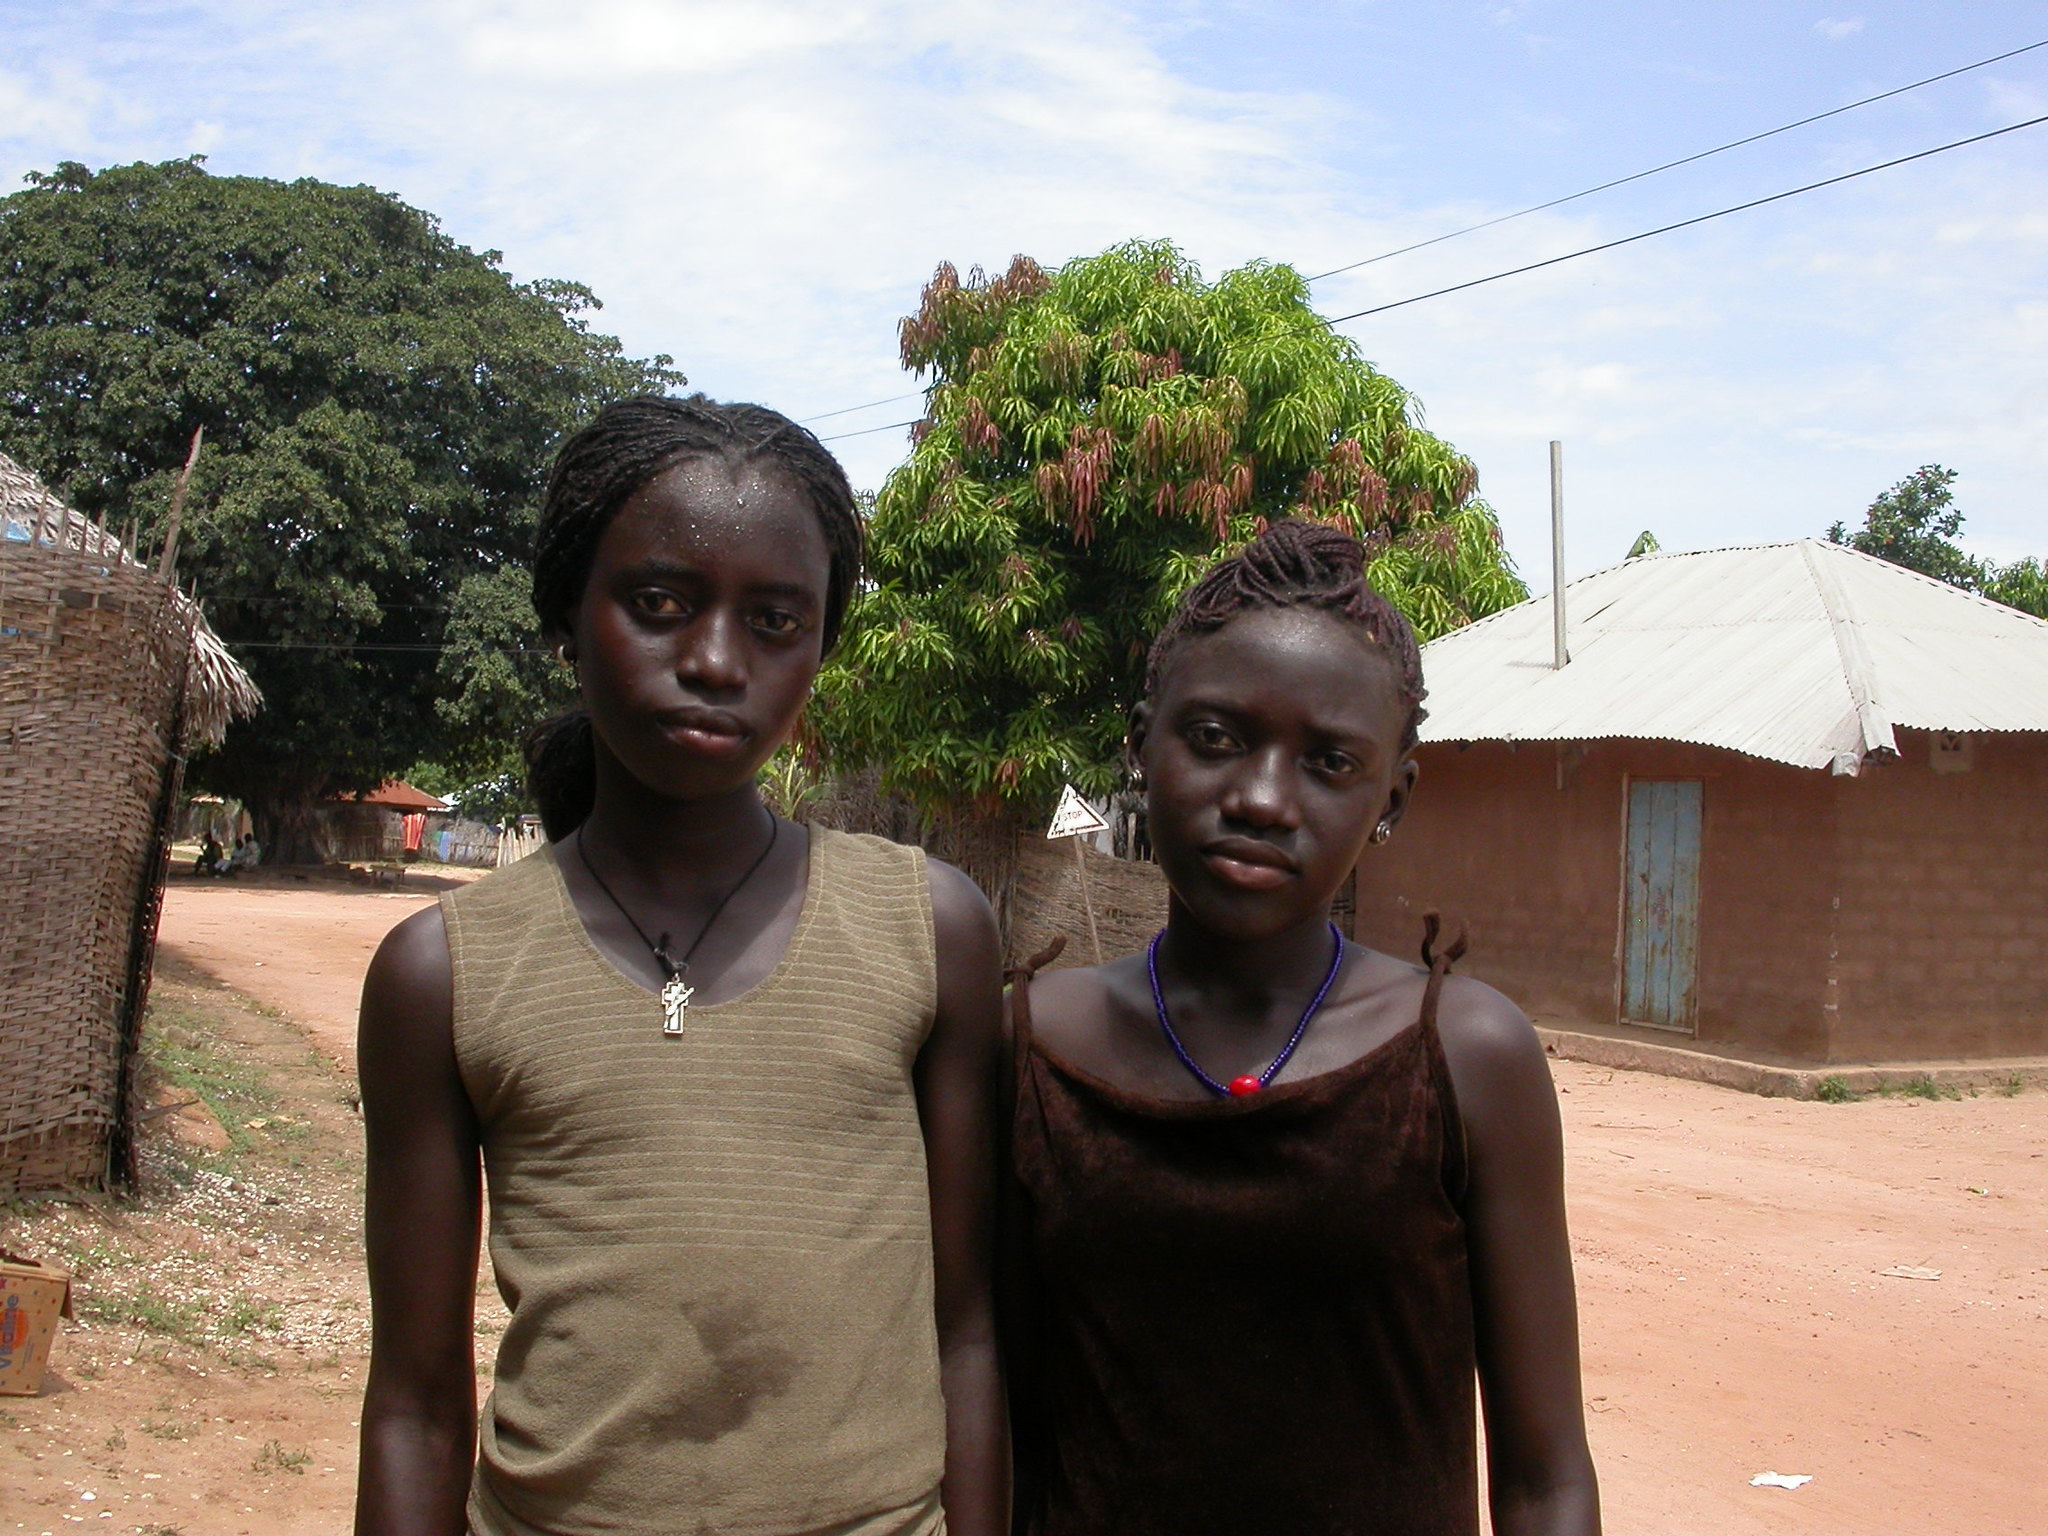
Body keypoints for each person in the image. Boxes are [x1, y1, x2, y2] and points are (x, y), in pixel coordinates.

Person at [355, 396, 1007, 1536]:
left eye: (774, 620)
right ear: (566, 616)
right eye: (656, 603)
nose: (713, 661)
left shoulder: (928, 929)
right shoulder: (443, 974)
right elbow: (413, 1402)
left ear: (820, 644)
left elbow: (967, 1330)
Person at [1003, 521, 1600, 1536]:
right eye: (1214, 738)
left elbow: (1545, 1479)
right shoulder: (1026, 1046)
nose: (1262, 800)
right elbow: (987, 1396)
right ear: (1137, 748)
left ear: (1391, 800)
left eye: (1327, 762)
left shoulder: (1461, 1056)